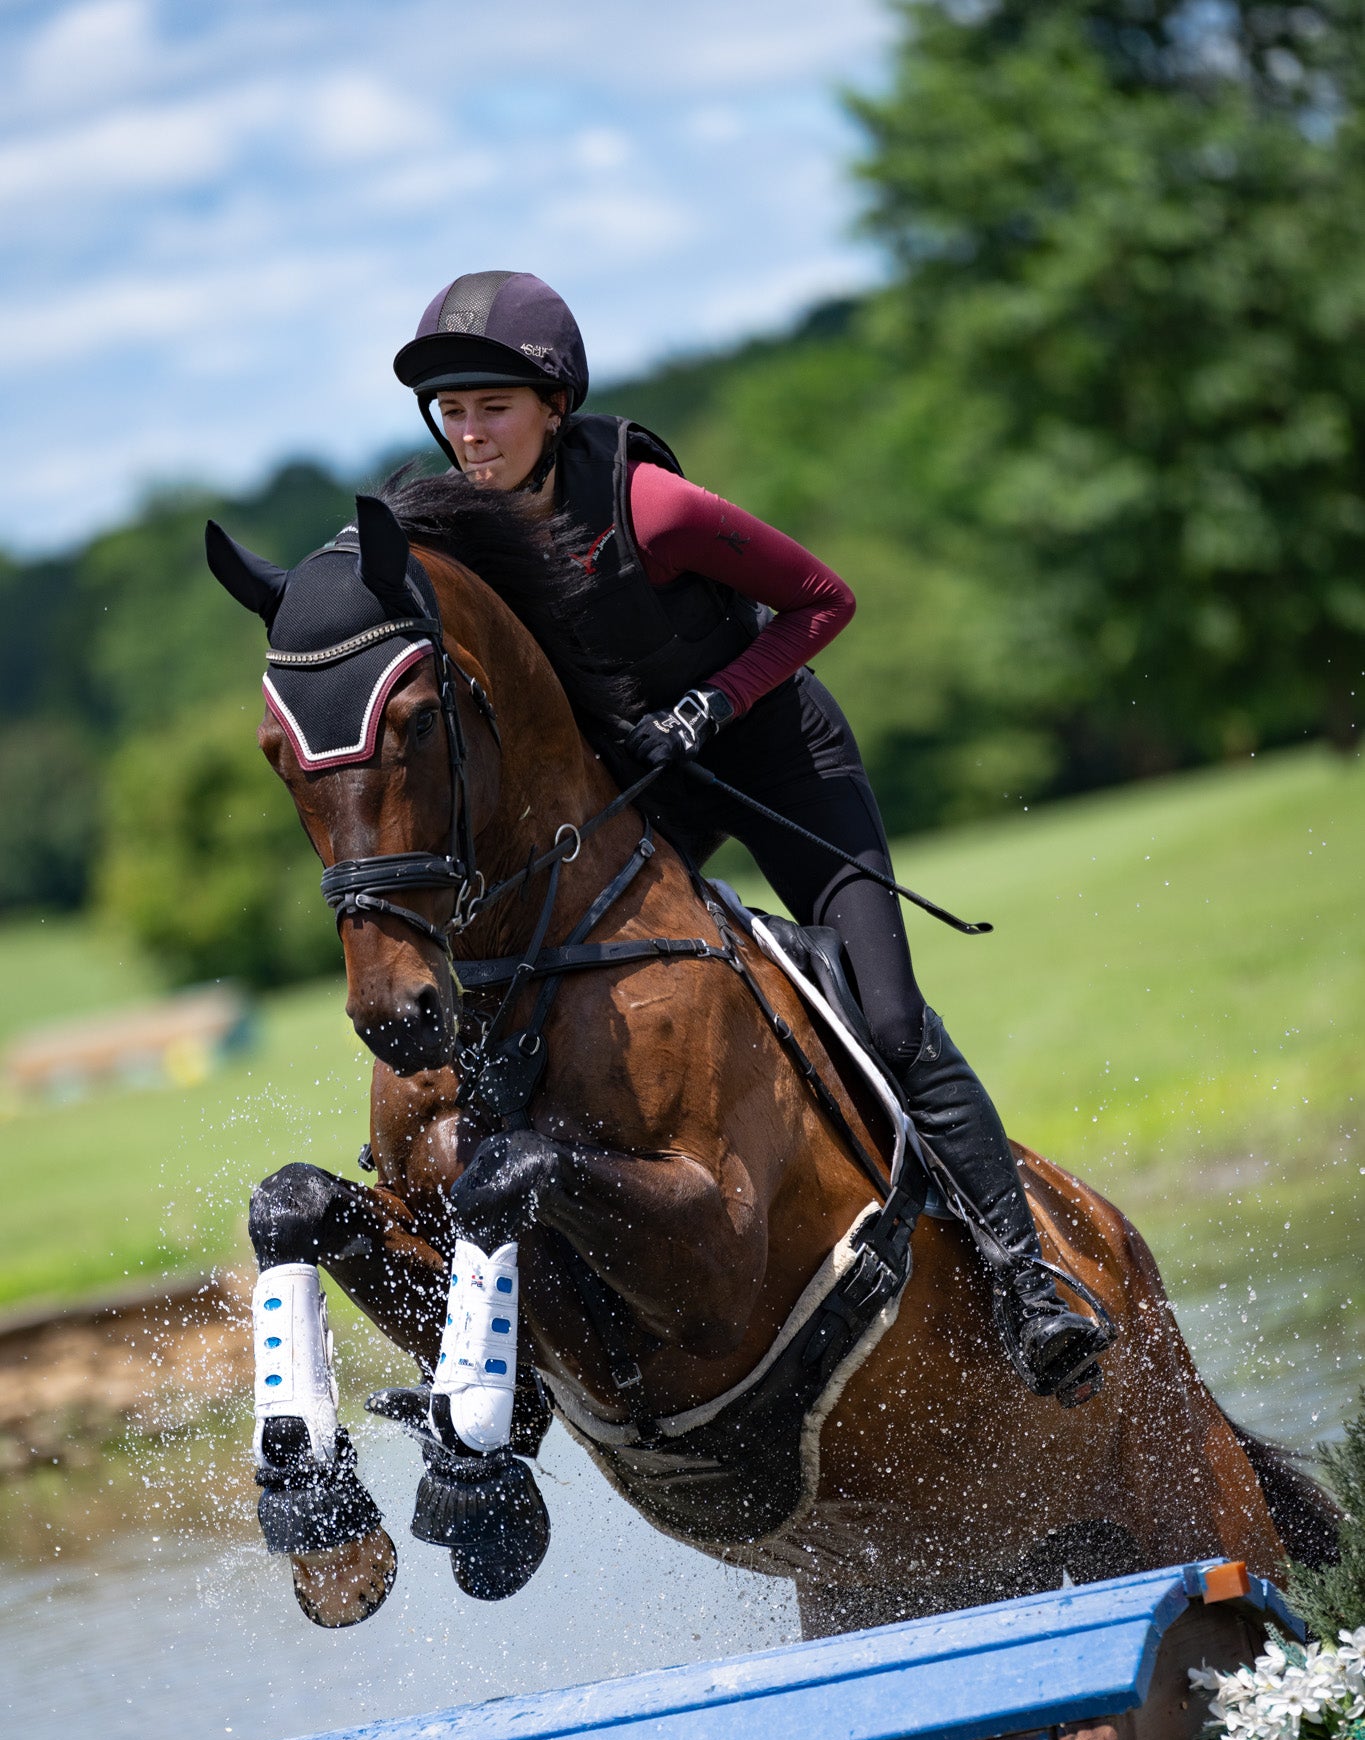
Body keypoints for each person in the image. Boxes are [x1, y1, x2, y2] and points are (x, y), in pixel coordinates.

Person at [393, 270, 1111, 1405]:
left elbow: (825, 599)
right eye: (452, 413)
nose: (470, 434)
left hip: (779, 757)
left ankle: (1029, 1284)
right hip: (650, 782)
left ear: (554, 404)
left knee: (888, 1017)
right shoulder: (462, 536)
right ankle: (507, 1350)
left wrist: (712, 704)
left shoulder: (651, 506)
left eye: (494, 407)